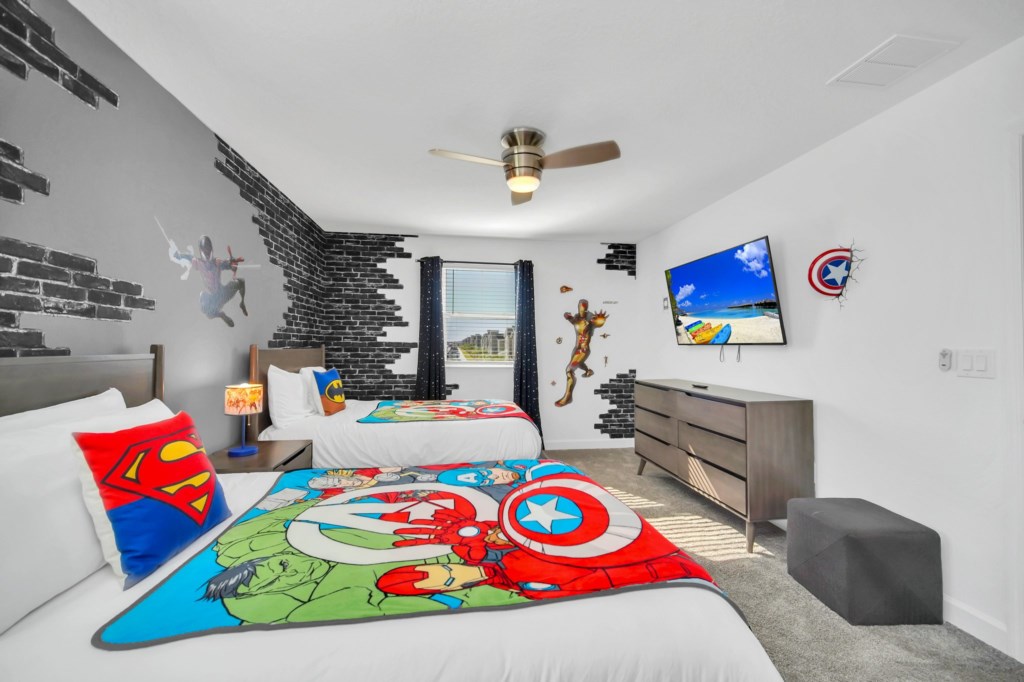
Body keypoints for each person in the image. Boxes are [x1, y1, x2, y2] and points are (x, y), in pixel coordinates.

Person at [172, 235, 248, 327]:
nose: (207, 252)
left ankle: (242, 303)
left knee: (241, 282)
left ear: (211, 249)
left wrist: (232, 264)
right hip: (212, 299)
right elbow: (188, 257)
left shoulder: (217, 262)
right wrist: (179, 255)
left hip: (222, 293)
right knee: (205, 308)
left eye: (208, 249)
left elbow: (228, 265)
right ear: (201, 251)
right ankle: (220, 315)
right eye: (205, 250)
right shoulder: (198, 262)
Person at [555, 299, 608, 406]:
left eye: (584, 306)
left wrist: (601, 320)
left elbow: (598, 323)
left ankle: (568, 397)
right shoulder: (576, 318)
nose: (582, 308)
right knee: (578, 364)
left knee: (569, 370)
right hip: (576, 349)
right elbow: (572, 320)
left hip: (583, 350)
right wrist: (567, 316)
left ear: (587, 307)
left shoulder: (590, 319)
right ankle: (588, 371)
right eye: (580, 306)